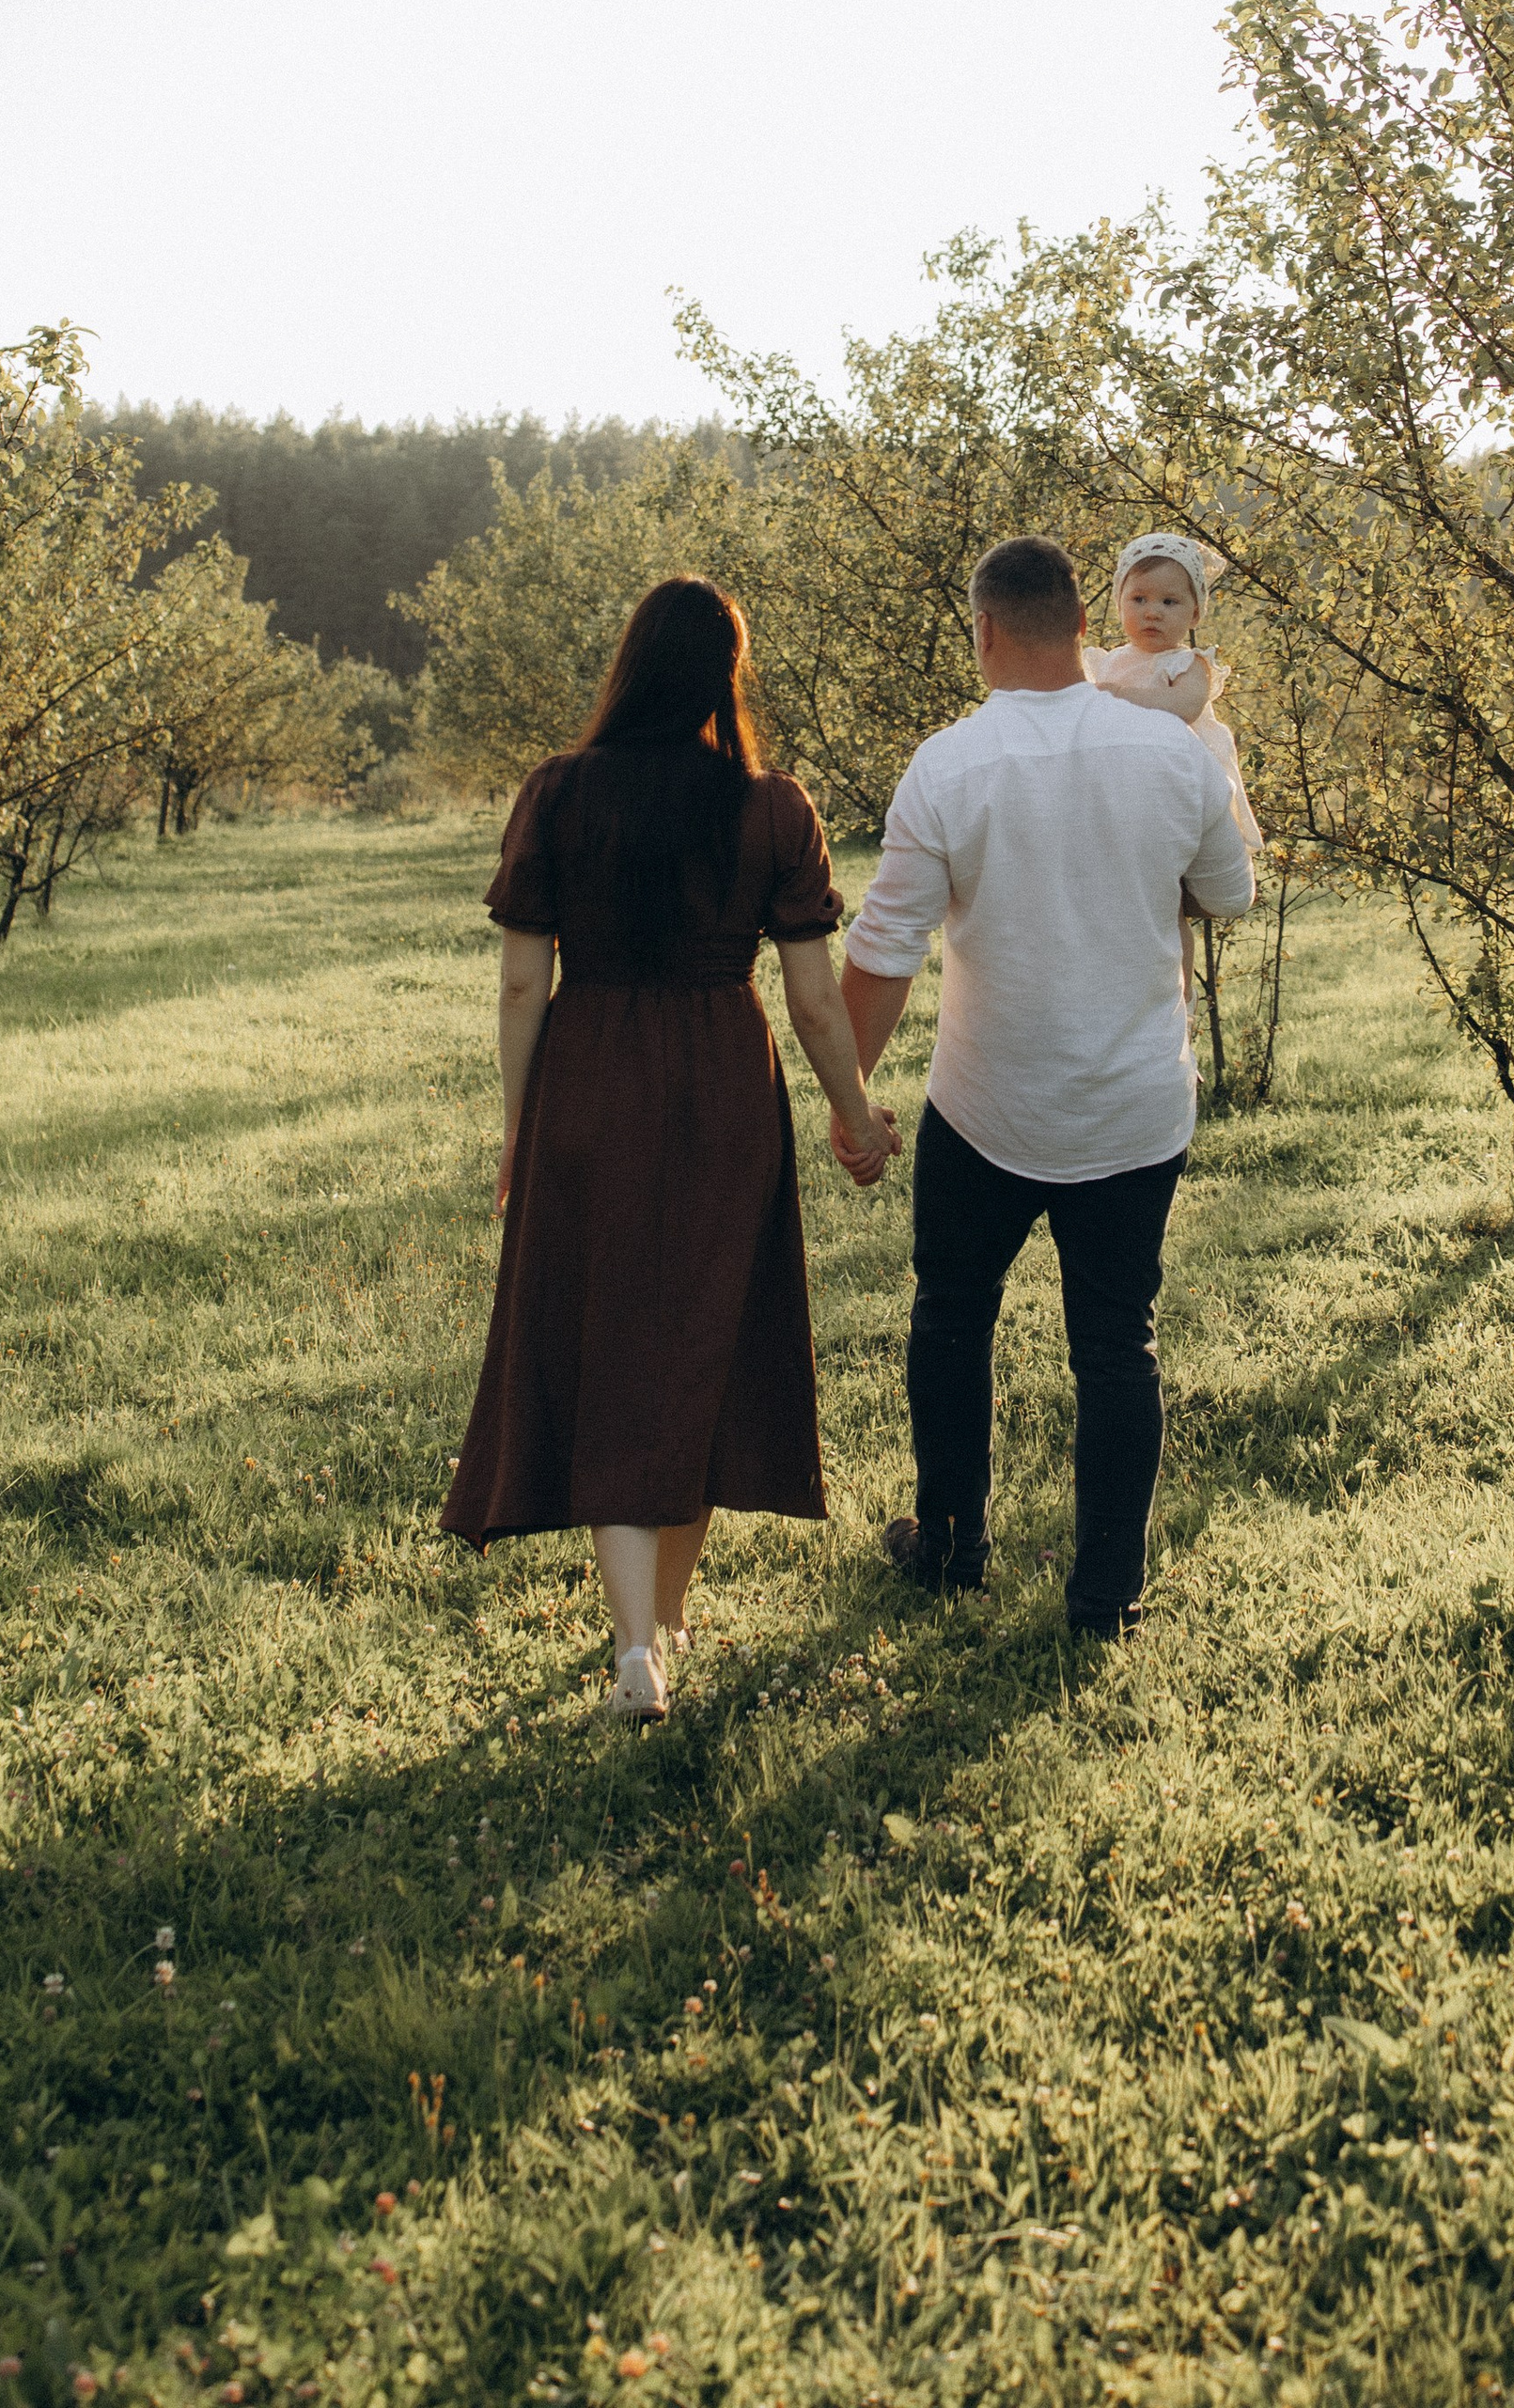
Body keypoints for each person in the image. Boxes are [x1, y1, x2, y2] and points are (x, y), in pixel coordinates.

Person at [441, 577, 898, 1726]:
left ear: (629, 665)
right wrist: (854, 1112)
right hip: (717, 1085)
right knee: (698, 1335)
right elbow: (809, 1001)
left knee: (611, 1339)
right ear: (725, 675)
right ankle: (661, 1628)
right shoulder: (772, 809)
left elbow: (516, 980)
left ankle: (643, 1642)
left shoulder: (557, 795)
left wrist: (519, 1128)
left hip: (588, 1081)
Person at [835, 534, 1256, 1641]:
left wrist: (849, 1097)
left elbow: (885, 950)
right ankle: (1105, 1595)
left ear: (982, 632)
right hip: (1131, 1102)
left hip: (987, 1106)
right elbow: (1229, 894)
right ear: (1086, 622)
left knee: (951, 1315)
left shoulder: (949, 765)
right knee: (1118, 1342)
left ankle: (951, 1544)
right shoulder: (1176, 756)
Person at [1083, 531, 1265, 990]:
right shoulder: (1104, 663)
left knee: (1170, 904)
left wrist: (1121, 697)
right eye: (1139, 598)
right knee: (1129, 900)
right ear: (1119, 599)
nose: (1152, 612)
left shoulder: (1189, 665)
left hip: (1180, 794)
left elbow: (1184, 707)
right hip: (1125, 793)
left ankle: (1179, 1006)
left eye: (1169, 602)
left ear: (1195, 612)